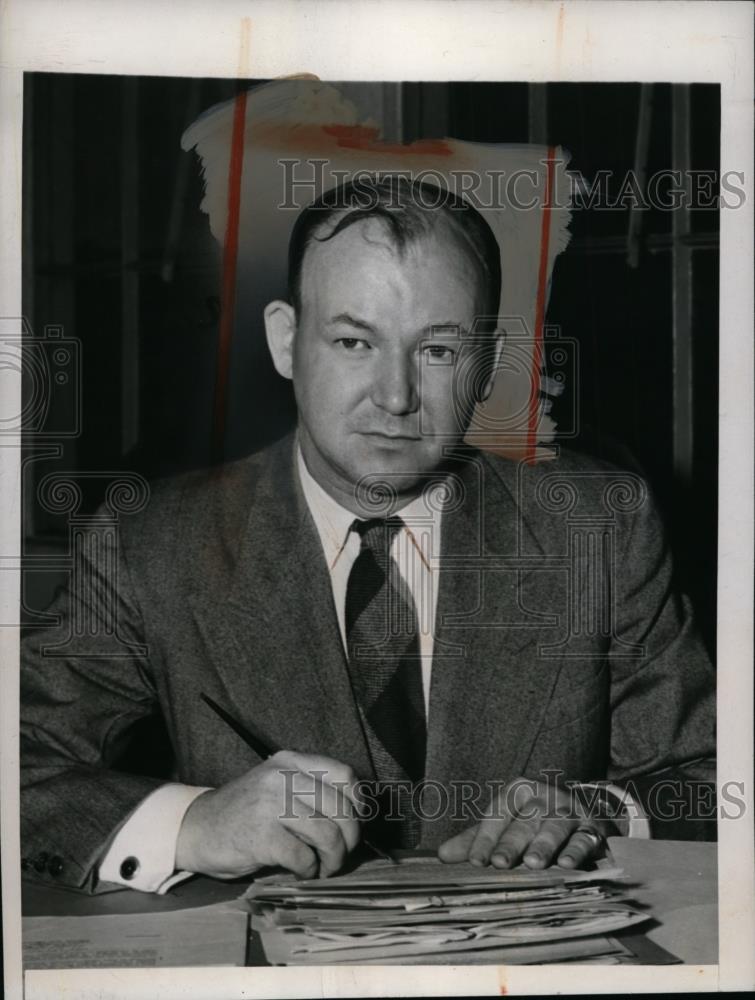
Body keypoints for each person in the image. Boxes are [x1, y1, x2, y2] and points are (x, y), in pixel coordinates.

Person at [20, 176, 715, 895]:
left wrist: (598, 810)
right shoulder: (149, 543)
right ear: (286, 341)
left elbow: (710, 777)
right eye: (354, 341)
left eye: (438, 351)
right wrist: (193, 822)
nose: (394, 397)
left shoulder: (599, 525)